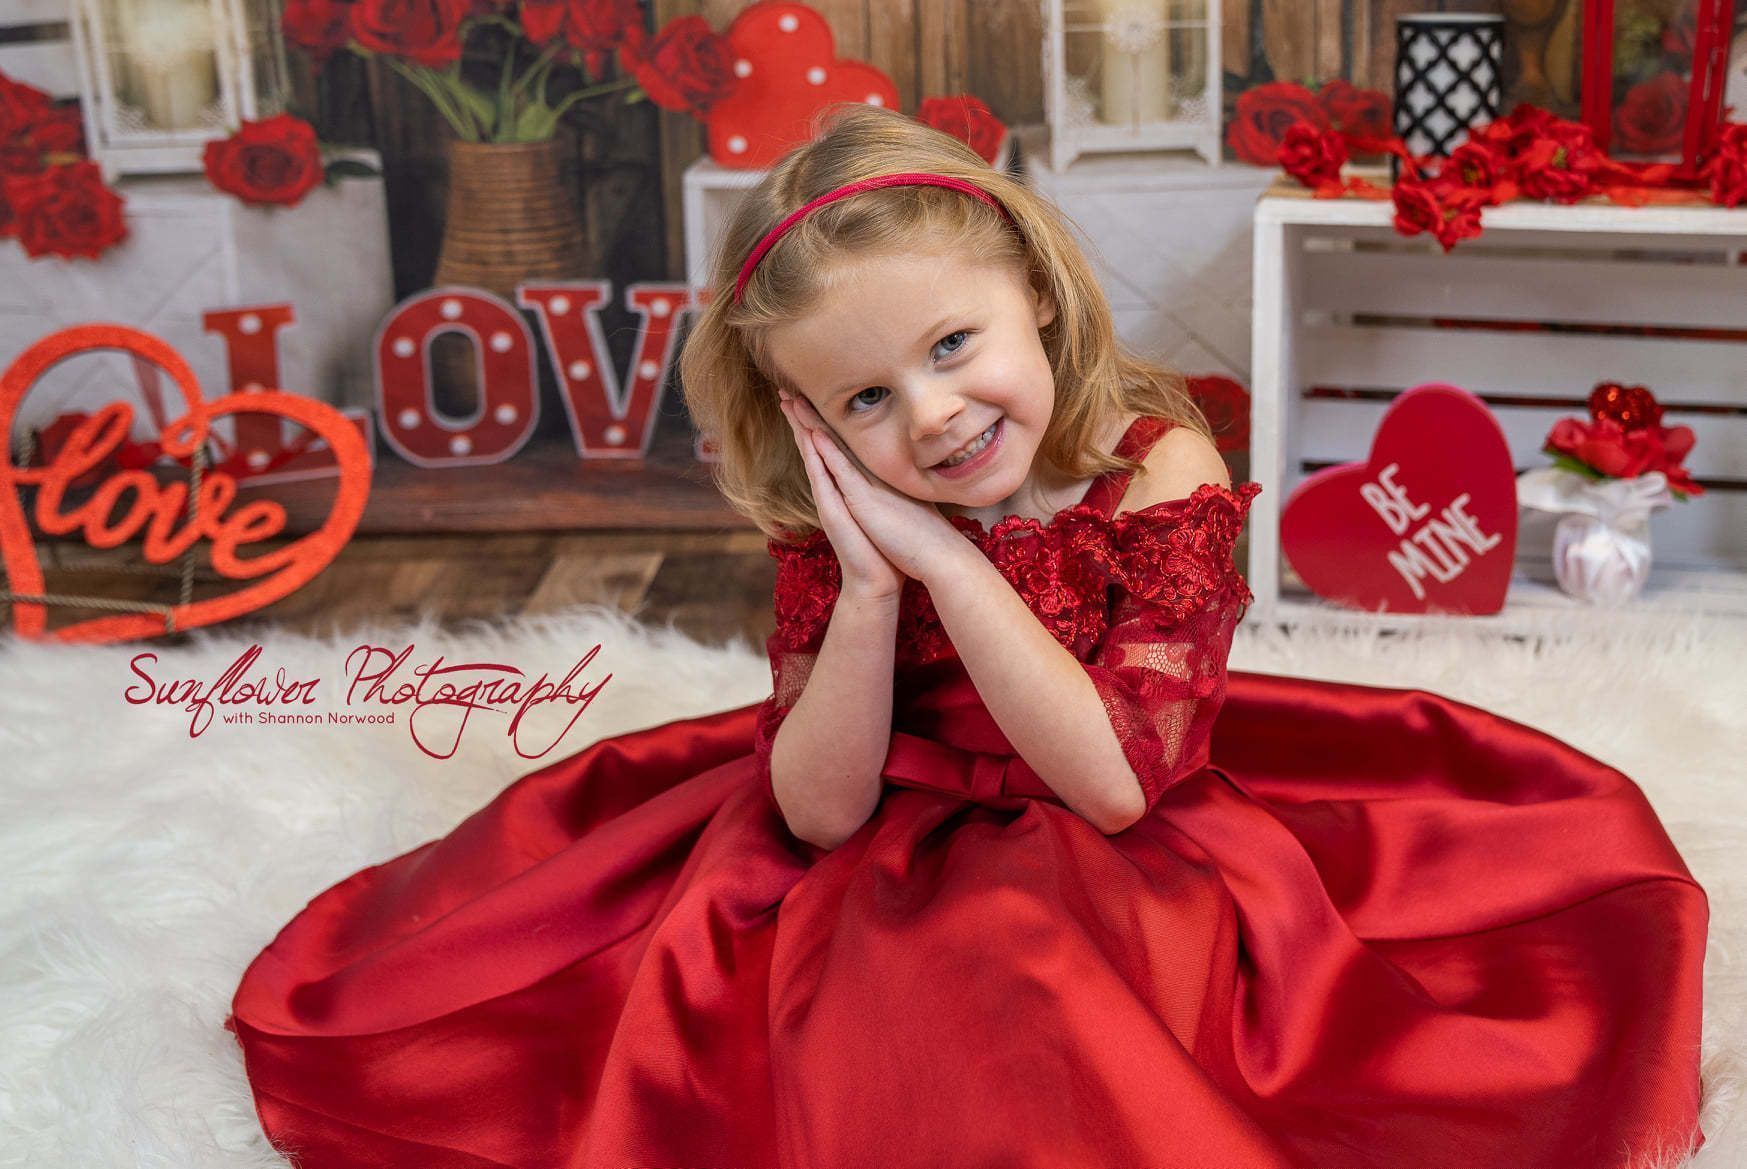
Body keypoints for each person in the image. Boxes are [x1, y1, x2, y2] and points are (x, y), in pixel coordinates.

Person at [226, 104, 1707, 1169]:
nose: (929, 414)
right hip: (899, 807)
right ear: (808, 422)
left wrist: (945, 555)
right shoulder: (843, 521)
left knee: (1049, 975)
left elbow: (1118, 784)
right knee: (843, 1001)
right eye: (863, 399)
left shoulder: (1157, 463)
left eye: (952, 347)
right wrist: (874, 589)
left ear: (1039, 303)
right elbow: (815, 808)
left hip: (1127, 811)